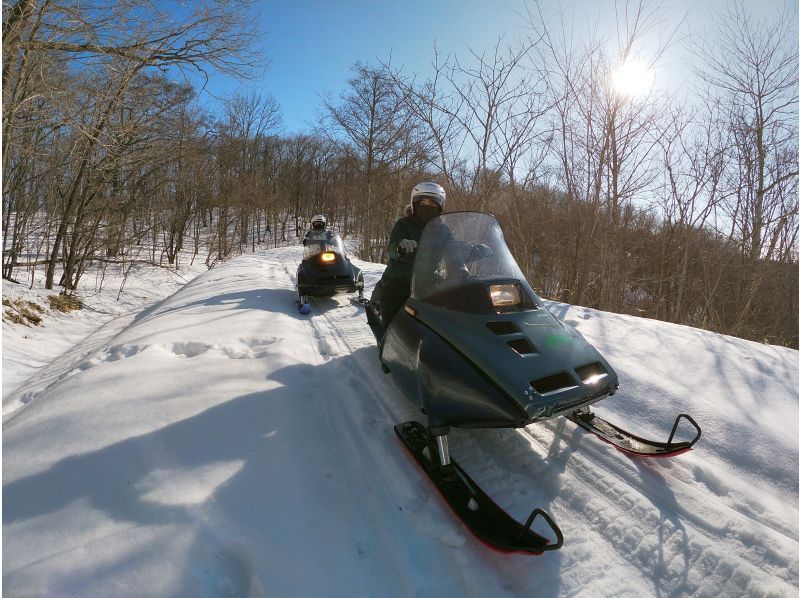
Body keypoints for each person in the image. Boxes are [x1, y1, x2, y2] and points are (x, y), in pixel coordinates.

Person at [374, 182, 447, 333]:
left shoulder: (442, 229)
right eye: (422, 202)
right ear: (414, 204)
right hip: (400, 279)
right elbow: (391, 249)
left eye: (432, 203)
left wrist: (471, 249)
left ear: (440, 207)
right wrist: (400, 246)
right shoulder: (404, 224)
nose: (427, 206)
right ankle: (388, 341)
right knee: (392, 306)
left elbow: (453, 247)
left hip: (429, 280)